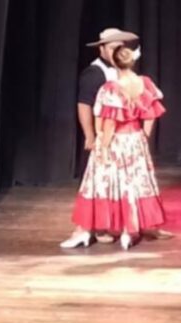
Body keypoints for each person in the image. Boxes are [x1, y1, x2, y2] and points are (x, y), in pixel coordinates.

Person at [68, 45, 167, 250]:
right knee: (133, 184)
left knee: (104, 183)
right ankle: (127, 230)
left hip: (116, 141)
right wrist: (143, 136)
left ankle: (86, 230)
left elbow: (110, 122)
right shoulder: (144, 83)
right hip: (135, 140)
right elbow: (150, 114)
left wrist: (103, 147)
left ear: (114, 62)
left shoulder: (111, 88)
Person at [61, 28, 142, 249]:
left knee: (118, 183)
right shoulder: (95, 74)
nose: (118, 51)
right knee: (96, 183)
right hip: (103, 136)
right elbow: (84, 105)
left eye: (121, 47)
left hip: (122, 140)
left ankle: (109, 225)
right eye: (113, 47)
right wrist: (90, 134)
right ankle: (87, 228)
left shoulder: (124, 74)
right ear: (102, 49)